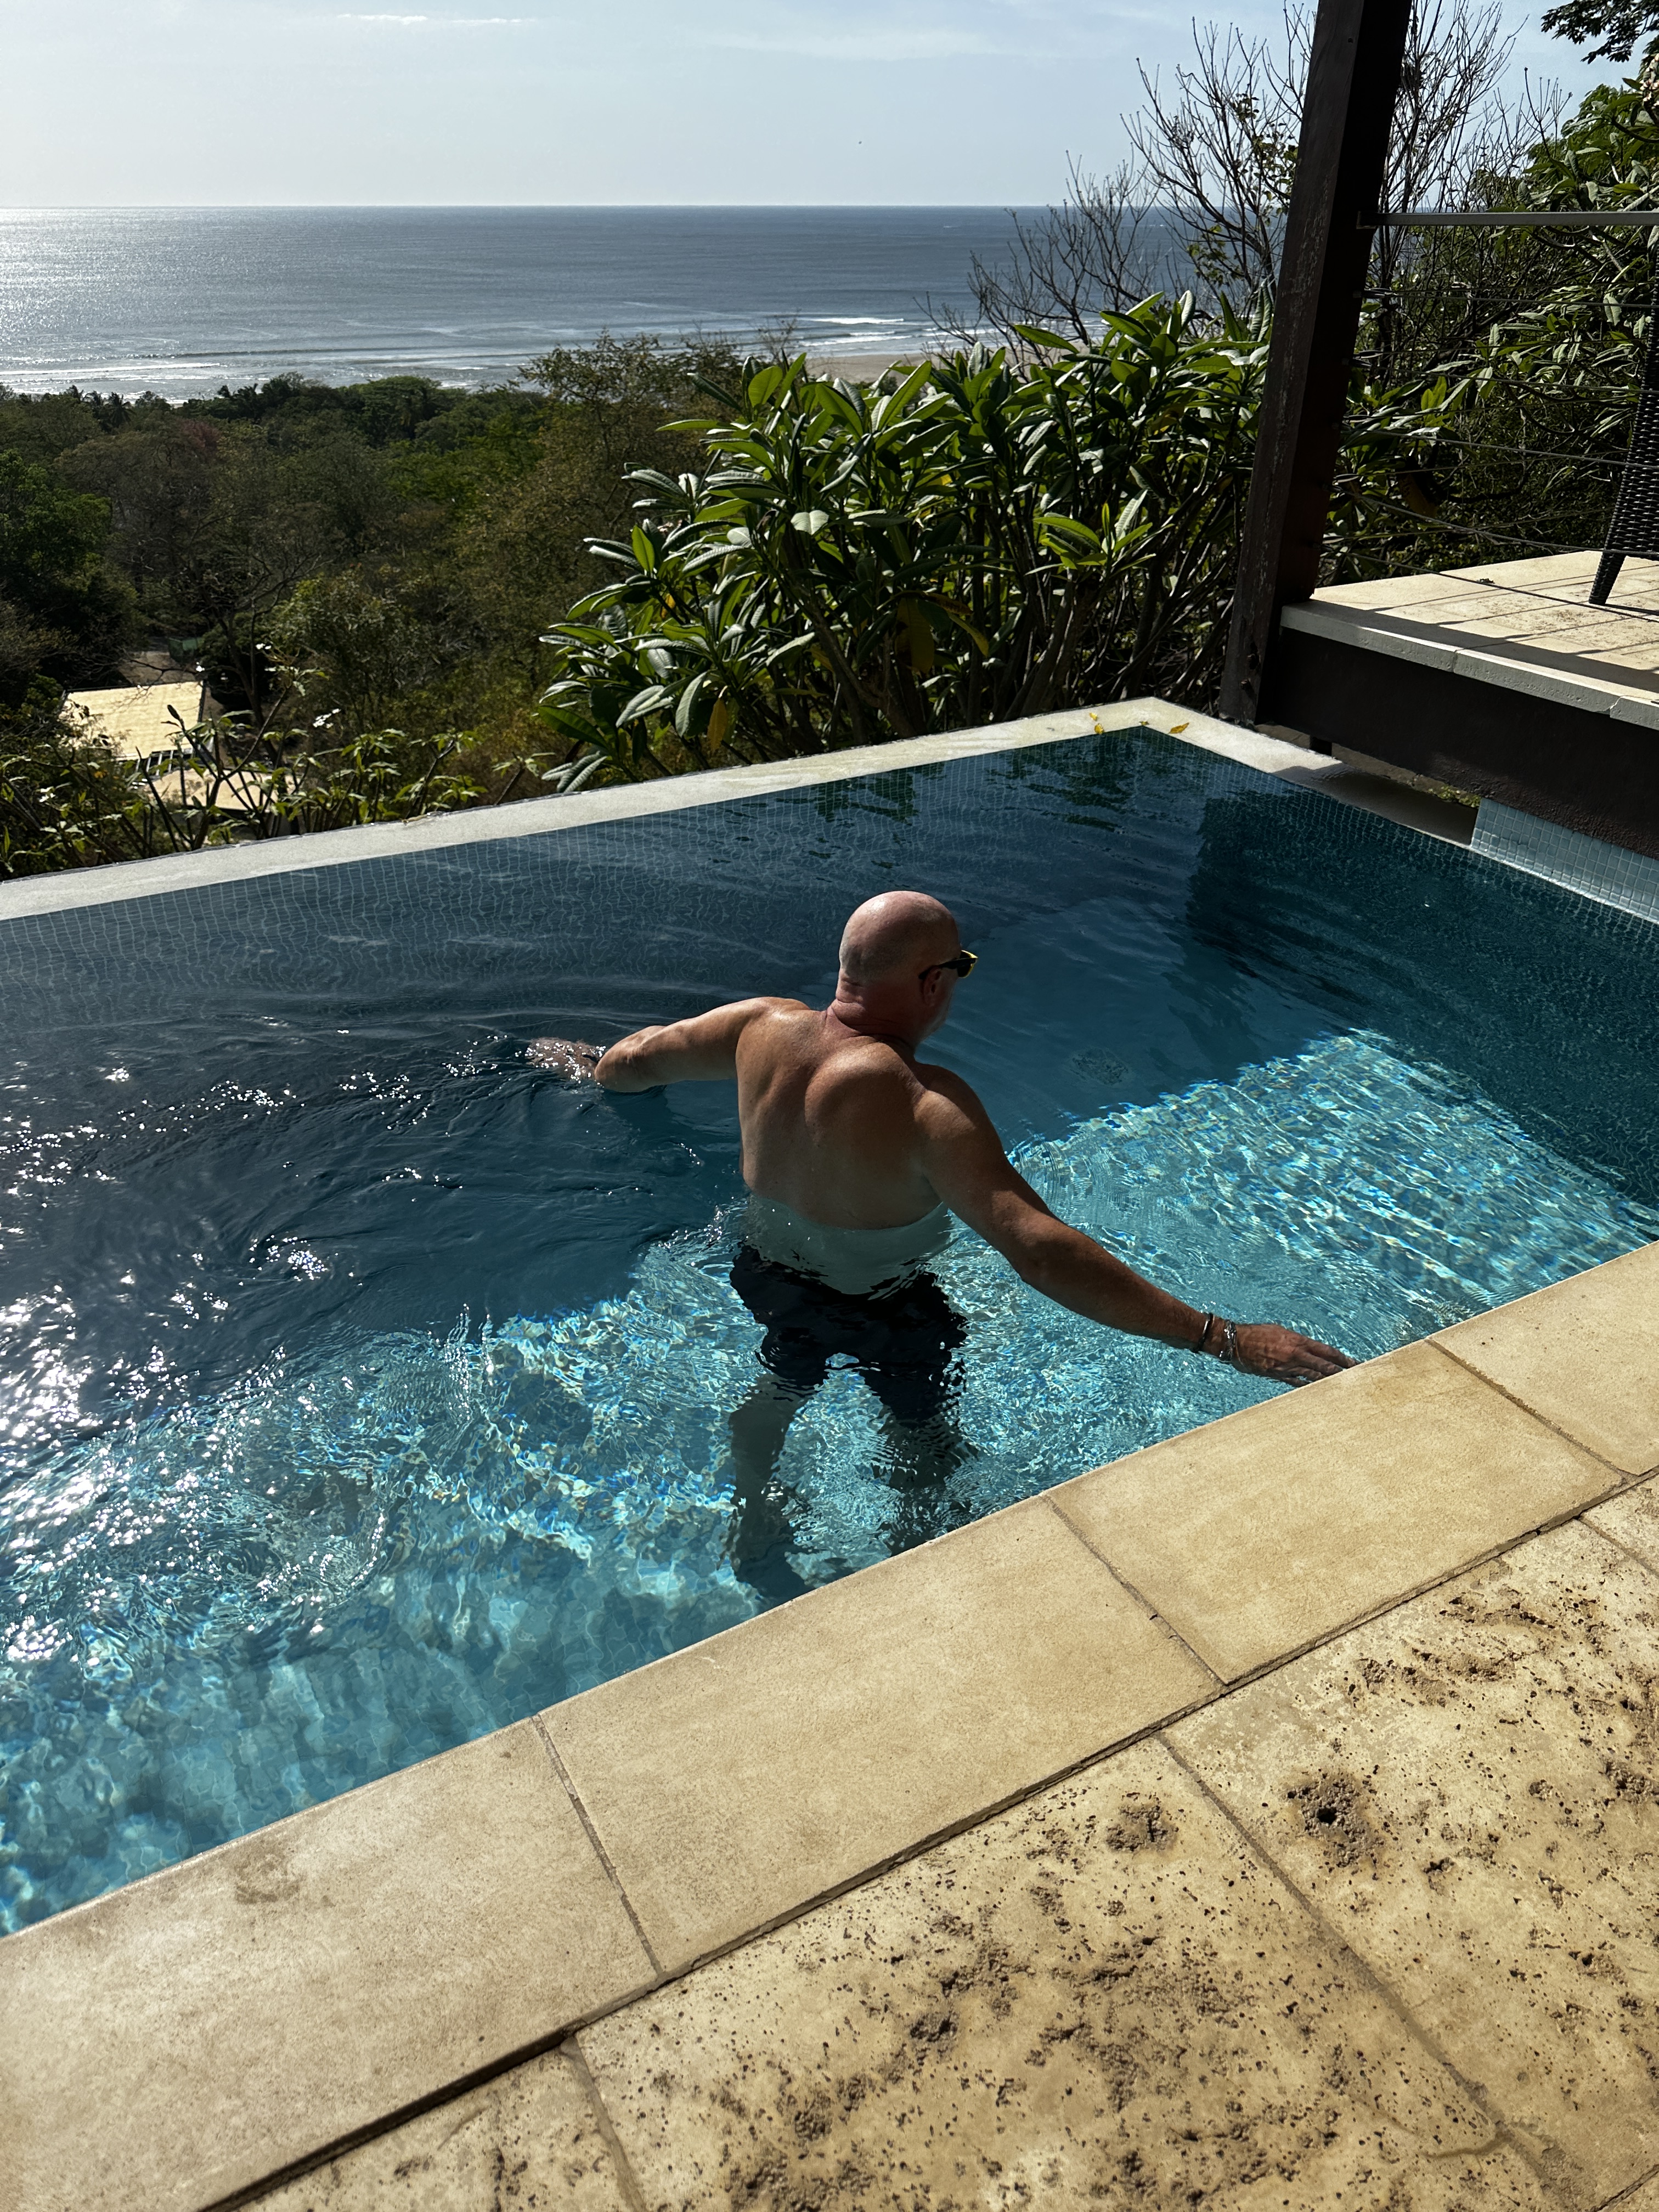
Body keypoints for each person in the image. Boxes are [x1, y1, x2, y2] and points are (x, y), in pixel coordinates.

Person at [531, 889, 1352, 1596]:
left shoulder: (760, 1027)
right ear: (932, 983)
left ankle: (754, 1515)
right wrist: (1221, 1338)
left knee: (785, 1372)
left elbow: (639, 1058)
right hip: (885, 1302)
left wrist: (582, 1066)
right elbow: (1040, 1250)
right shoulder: (927, 1105)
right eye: (961, 968)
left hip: (764, 1271)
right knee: (924, 1434)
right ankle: (917, 1549)